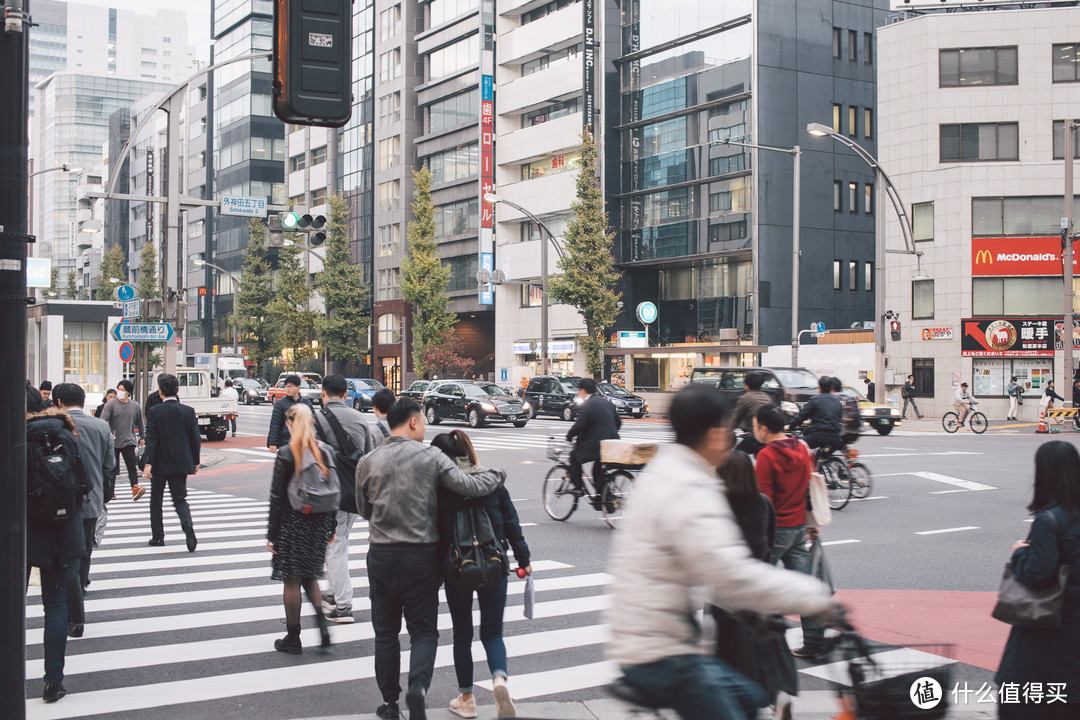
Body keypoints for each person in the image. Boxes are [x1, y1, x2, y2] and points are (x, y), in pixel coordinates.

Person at [608, 384, 839, 720]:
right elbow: (731, 574)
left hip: (646, 639)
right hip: (664, 654)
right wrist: (818, 599)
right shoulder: (691, 489)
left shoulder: (663, 473)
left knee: (750, 697)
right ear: (715, 433)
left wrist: (754, 612)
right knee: (742, 704)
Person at [355, 398, 506, 720]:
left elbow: (363, 510)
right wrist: (497, 476)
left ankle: (390, 703)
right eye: (422, 421)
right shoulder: (431, 456)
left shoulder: (368, 460)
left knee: (385, 632)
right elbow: (469, 484)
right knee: (423, 631)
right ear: (412, 422)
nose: (425, 427)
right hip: (420, 555)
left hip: (380, 555)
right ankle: (418, 688)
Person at [432, 430, 531, 719]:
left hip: (458, 569)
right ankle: (499, 679)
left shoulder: (442, 489)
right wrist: (524, 559)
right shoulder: (492, 482)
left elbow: (436, 535)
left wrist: (437, 572)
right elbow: (512, 525)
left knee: (462, 635)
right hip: (494, 565)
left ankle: (467, 699)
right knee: (492, 633)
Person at [995, 441, 1080, 720]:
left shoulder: (1049, 520)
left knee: (1023, 699)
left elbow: (1037, 574)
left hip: (1047, 632)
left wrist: (1020, 553)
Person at [710, 449, 796, 719]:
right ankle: (775, 695)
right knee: (762, 646)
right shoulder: (762, 503)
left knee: (726, 651)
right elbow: (769, 542)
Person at [26, 387, 86, 703]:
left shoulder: (17, 437)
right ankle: (53, 681)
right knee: (56, 603)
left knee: (10, 604)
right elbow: (84, 483)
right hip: (63, 527)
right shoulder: (66, 434)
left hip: (23, 530)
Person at [754, 404, 828, 660]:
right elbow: (810, 487)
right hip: (798, 528)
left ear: (763, 428)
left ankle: (762, 645)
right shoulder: (801, 447)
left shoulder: (766, 455)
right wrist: (811, 523)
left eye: (754, 425)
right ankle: (815, 641)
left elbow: (764, 501)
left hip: (774, 532)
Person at [266, 402, 338, 654]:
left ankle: (293, 637)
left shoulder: (287, 453)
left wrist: (271, 533)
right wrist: (332, 526)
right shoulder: (326, 452)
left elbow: (277, 496)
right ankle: (323, 627)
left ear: (290, 424)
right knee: (310, 574)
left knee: (292, 579)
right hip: (319, 521)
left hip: (292, 521)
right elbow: (332, 491)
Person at [52, 383, 115, 639]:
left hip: (61, 502)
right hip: (92, 500)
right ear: (83, 400)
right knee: (84, 550)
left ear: (58, 402)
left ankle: (71, 606)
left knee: (65, 557)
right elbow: (109, 465)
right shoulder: (100, 426)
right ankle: (80, 587)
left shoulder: (56, 426)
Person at [315, 374, 377, 624]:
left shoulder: (315, 418)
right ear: (345, 394)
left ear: (323, 393)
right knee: (339, 541)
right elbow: (371, 455)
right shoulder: (360, 418)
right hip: (356, 490)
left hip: (330, 492)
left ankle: (343, 605)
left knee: (335, 546)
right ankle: (333, 593)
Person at [142, 373, 201, 551]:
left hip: (160, 462)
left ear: (160, 392)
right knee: (180, 499)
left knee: (156, 499)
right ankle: (187, 524)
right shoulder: (188, 411)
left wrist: (148, 463)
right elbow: (195, 438)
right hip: (181, 461)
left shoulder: (155, 411)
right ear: (177, 391)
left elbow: (152, 438)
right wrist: (195, 461)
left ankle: (158, 536)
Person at [565, 378, 621, 509]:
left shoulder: (588, 405)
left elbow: (579, 425)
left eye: (579, 390)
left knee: (574, 457)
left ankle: (578, 488)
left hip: (597, 444)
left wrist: (569, 436)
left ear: (583, 390)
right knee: (598, 469)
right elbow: (618, 422)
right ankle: (602, 497)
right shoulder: (606, 402)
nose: (578, 393)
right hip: (612, 443)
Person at [100, 379, 146, 501]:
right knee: (112, 467)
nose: (120, 392)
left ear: (129, 392)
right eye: (118, 389)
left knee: (131, 465)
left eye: (122, 390)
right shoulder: (111, 404)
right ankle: (111, 491)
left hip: (129, 439)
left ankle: (135, 488)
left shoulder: (135, 406)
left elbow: (140, 422)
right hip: (113, 440)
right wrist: (107, 433)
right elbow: (103, 419)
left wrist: (142, 436)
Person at [787, 376, 844, 450]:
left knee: (797, 445)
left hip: (819, 437)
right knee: (823, 455)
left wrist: (790, 426)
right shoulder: (837, 400)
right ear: (830, 388)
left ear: (819, 387)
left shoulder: (815, 399)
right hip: (836, 437)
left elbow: (802, 416)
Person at [727, 371, 772, 455]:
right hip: (768, 436)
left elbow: (736, 418)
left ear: (747, 385)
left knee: (735, 455)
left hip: (755, 436)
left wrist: (728, 432)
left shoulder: (744, 398)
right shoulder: (767, 398)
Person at [268, 374, 314, 453]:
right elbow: (275, 424)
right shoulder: (280, 404)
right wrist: (272, 443)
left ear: (298, 387)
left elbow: (313, 421)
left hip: (304, 440)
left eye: (291, 386)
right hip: (286, 441)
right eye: (286, 386)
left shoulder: (306, 402)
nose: (288, 389)